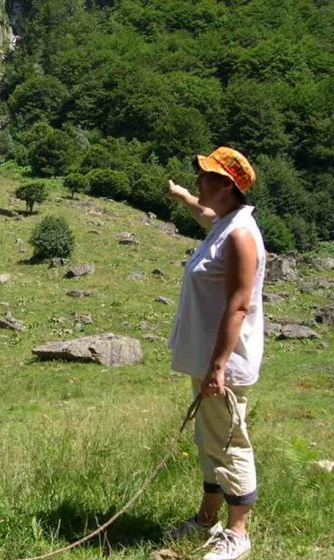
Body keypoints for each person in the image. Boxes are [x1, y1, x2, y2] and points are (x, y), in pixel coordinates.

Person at [165, 147, 265, 560]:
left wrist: (218, 366)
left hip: (223, 364)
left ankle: (237, 533)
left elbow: (239, 305)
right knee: (208, 439)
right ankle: (207, 518)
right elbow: (202, 214)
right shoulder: (224, 223)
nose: (198, 181)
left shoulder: (241, 235)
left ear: (227, 186)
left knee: (229, 442)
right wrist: (183, 197)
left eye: (205, 177)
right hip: (208, 361)